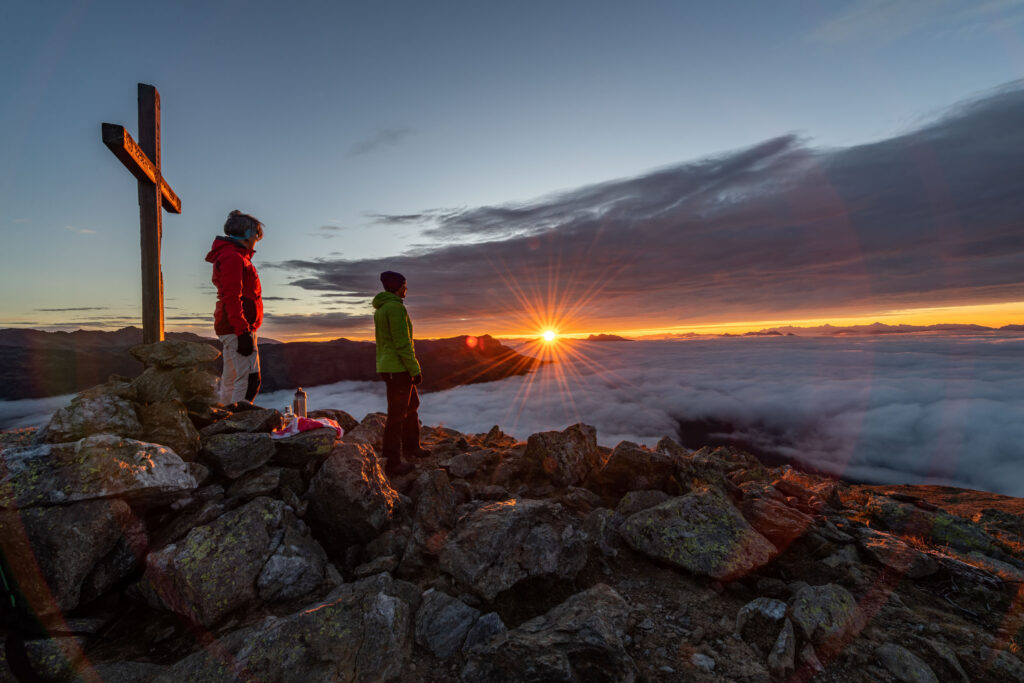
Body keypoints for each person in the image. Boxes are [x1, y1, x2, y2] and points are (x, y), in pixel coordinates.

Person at [373, 270, 430, 477]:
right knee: (397, 415)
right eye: (404, 285)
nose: (406, 288)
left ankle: (412, 446)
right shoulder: (395, 309)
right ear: (397, 287)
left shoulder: (381, 309)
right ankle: (392, 462)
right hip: (399, 369)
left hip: (387, 367)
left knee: (411, 405)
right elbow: (402, 343)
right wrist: (415, 370)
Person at [206, 210, 264, 405]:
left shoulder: (233, 256)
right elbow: (232, 296)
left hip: (233, 325)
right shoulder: (233, 257)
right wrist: (243, 332)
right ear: (248, 233)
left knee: (232, 378)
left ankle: (226, 419)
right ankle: (241, 425)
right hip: (237, 327)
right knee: (249, 379)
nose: (257, 239)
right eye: (257, 234)